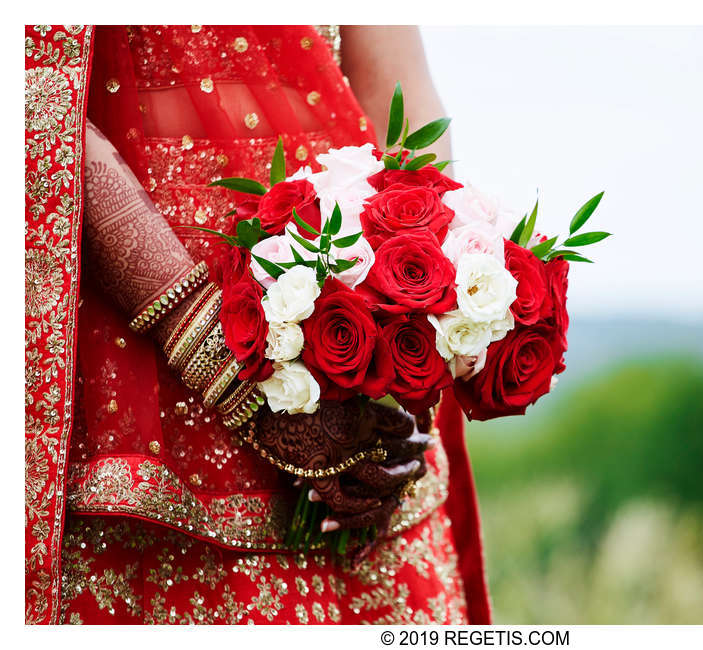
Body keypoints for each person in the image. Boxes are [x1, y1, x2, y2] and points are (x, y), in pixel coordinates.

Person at [25, 24, 491, 625]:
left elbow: (399, 95)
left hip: (357, 329)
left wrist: (410, 337)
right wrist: (212, 354)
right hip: (141, 359)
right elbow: (37, 90)